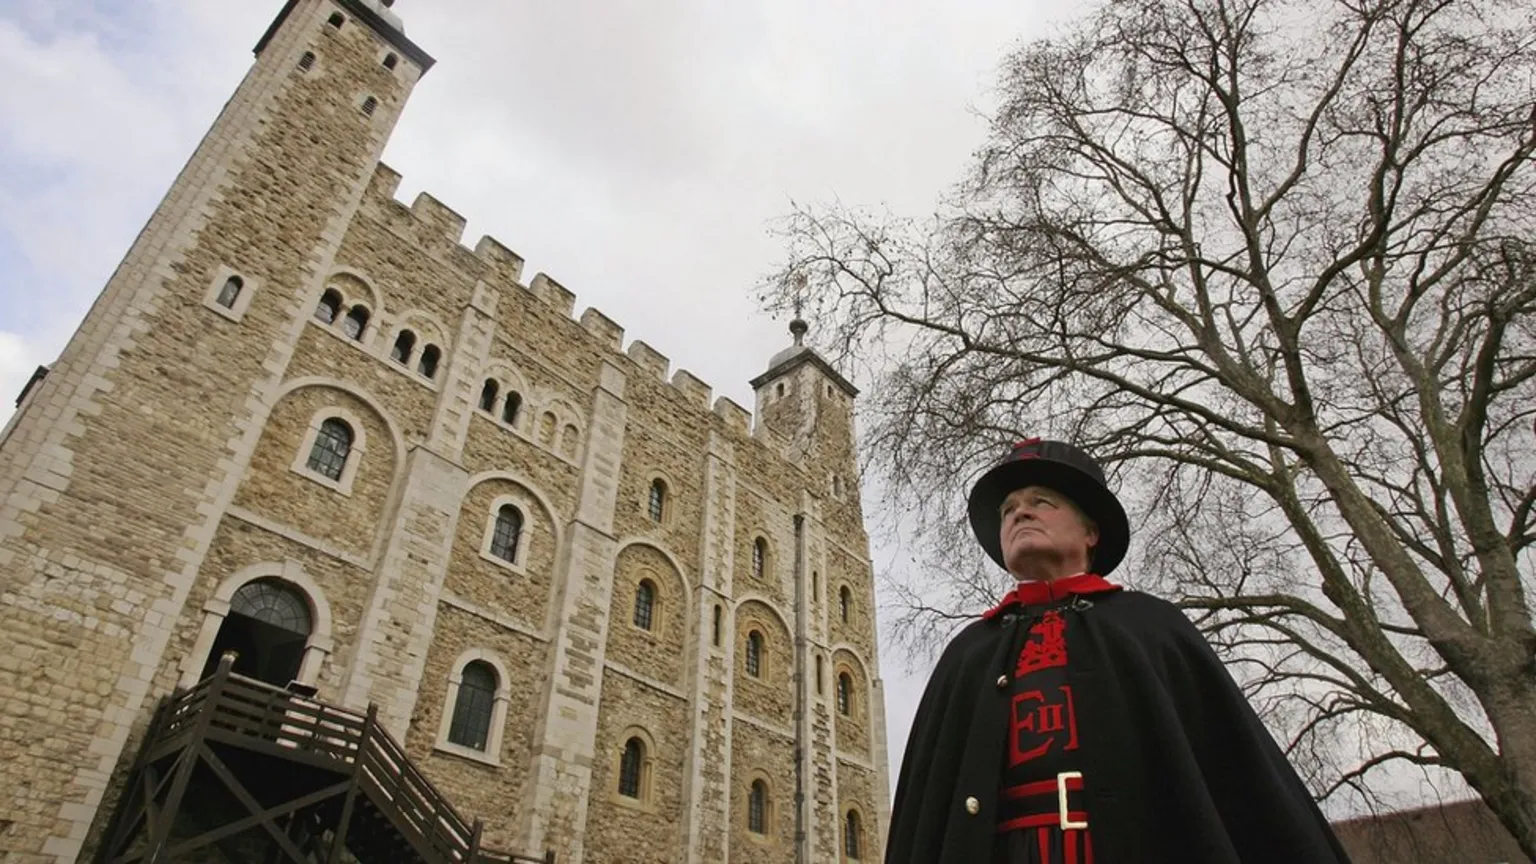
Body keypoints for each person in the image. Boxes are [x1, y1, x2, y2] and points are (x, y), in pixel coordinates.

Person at [885, 439, 1352, 863]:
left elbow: (1241, 780)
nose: (1019, 514)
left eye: (1040, 502)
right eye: (1008, 509)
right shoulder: (969, 653)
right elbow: (930, 813)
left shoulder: (1151, 628)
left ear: (1091, 532)